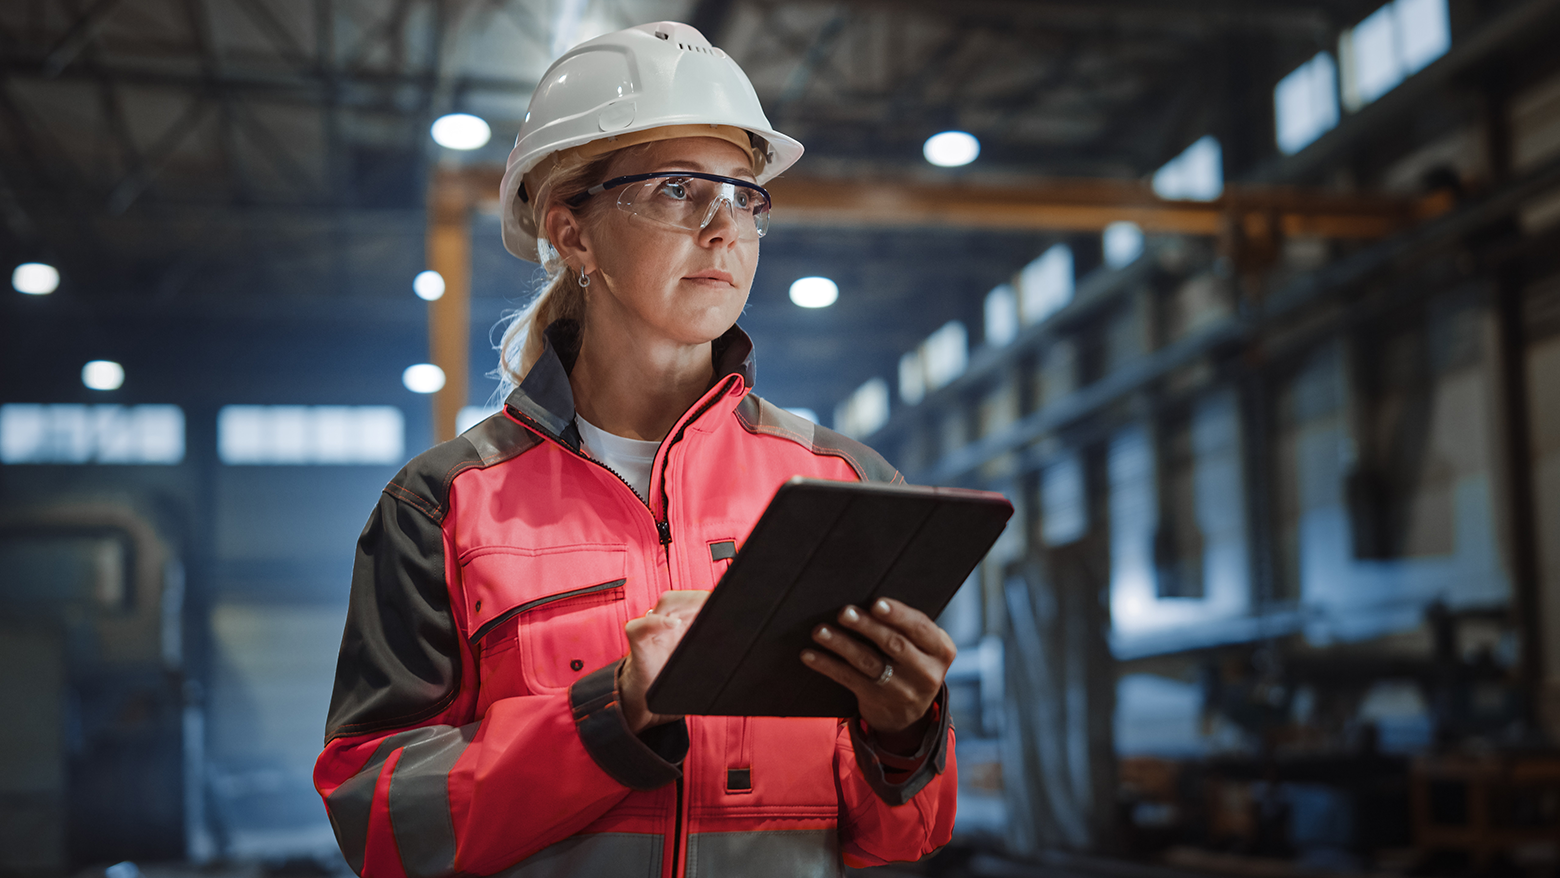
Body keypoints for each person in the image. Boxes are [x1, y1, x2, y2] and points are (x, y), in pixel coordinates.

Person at [314, 21, 958, 878]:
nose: (724, 228)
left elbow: (904, 836)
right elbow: (381, 823)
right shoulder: (444, 507)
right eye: (678, 190)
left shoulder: (844, 483)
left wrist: (907, 734)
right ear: (573, 235)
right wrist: (610, 715)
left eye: (744, 197)